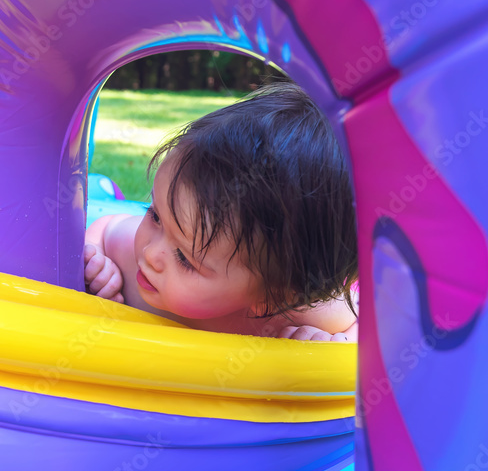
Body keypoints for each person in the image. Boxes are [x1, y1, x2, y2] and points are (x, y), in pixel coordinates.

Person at [83, 83, 359, 341]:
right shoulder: (132, 259)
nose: (150, 253)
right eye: (154, 215)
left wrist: (341, 340)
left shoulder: (303, 314)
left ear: (270, 299)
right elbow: (107, 226)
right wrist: (95, 257)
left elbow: (366, 323)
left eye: (185, 259)